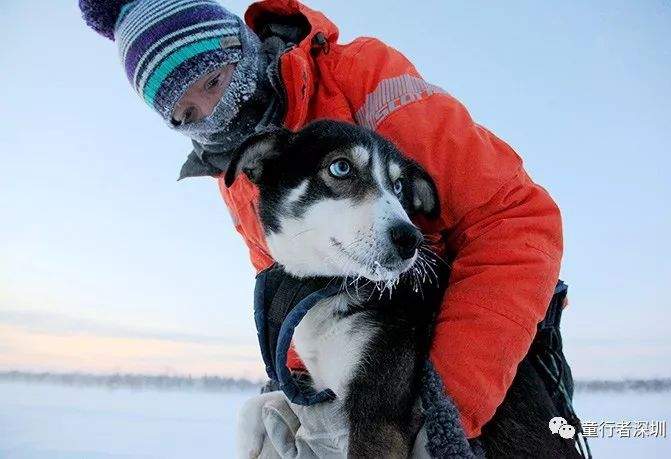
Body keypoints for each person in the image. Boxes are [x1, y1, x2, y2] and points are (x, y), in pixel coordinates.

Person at [79, 0, 572, 456]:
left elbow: (514, 221)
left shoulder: (361, 77)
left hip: (491, 348)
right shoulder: (239, 173)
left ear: (239, 47)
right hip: (374, 361)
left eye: (213, 81)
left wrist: (444, 406)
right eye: (188, 114)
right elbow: (295, 293)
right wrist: (296, 386)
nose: (218, 114)